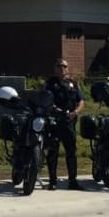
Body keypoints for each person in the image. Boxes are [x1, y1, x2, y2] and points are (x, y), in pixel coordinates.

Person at [43, 58, 85, 190]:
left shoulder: (73, 83)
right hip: (55, 122)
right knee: (53, 152)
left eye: (64, 66)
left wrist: (76, 112)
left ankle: (73, 181)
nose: (62, 69)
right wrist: (56, 110)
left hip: (69, 122)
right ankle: (53, 181)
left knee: (71, 152)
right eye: (59, 66)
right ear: (55, 68)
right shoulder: (50, 83)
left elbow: (81, 100)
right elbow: (46, 99)